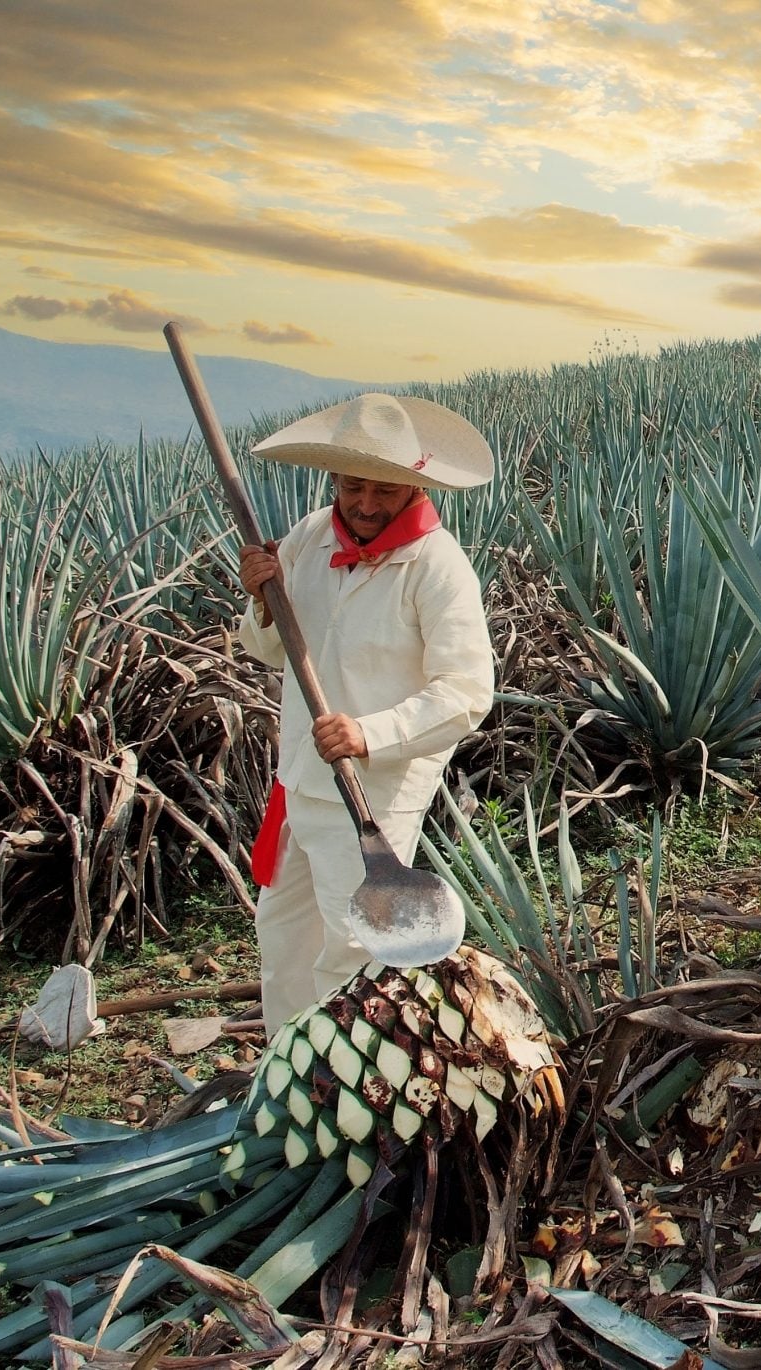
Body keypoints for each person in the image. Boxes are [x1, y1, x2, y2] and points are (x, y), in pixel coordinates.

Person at [234, 392, 495, 1025]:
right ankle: (283, 1070)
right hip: (301, 771)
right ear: (335, 480)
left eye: (384, 491)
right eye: (354, 487)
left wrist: (369, 733)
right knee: (284, 932)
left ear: (412, 486)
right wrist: (262, 600)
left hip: (374, 786)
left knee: (352, 945)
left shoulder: (436, 566)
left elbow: (467, 691)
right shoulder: (310, 538)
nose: (367, 505)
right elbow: (271, 650)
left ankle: (340, 1083)